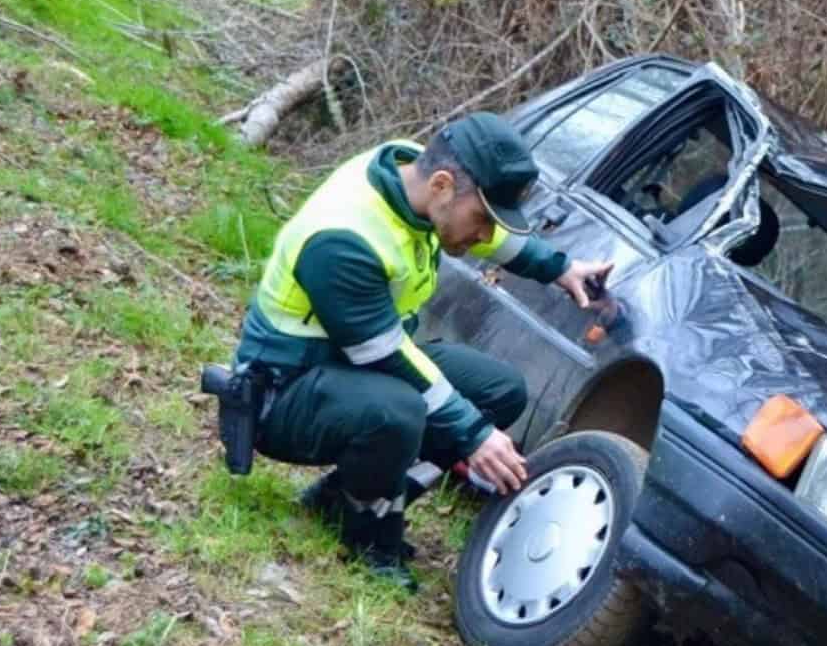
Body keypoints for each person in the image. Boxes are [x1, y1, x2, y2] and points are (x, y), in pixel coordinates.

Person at [228, 111, 612, 589]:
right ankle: (368, 529)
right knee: (404, 410)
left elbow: (493, 236)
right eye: (481, 219)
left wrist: (560, 268)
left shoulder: (415, 177)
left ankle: (342, 498)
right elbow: (385, 354)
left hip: (352, 370)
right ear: (444, 185)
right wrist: (475, 436)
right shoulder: (343, 239)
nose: (481, 235)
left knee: (500, 391)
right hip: (285, 391)